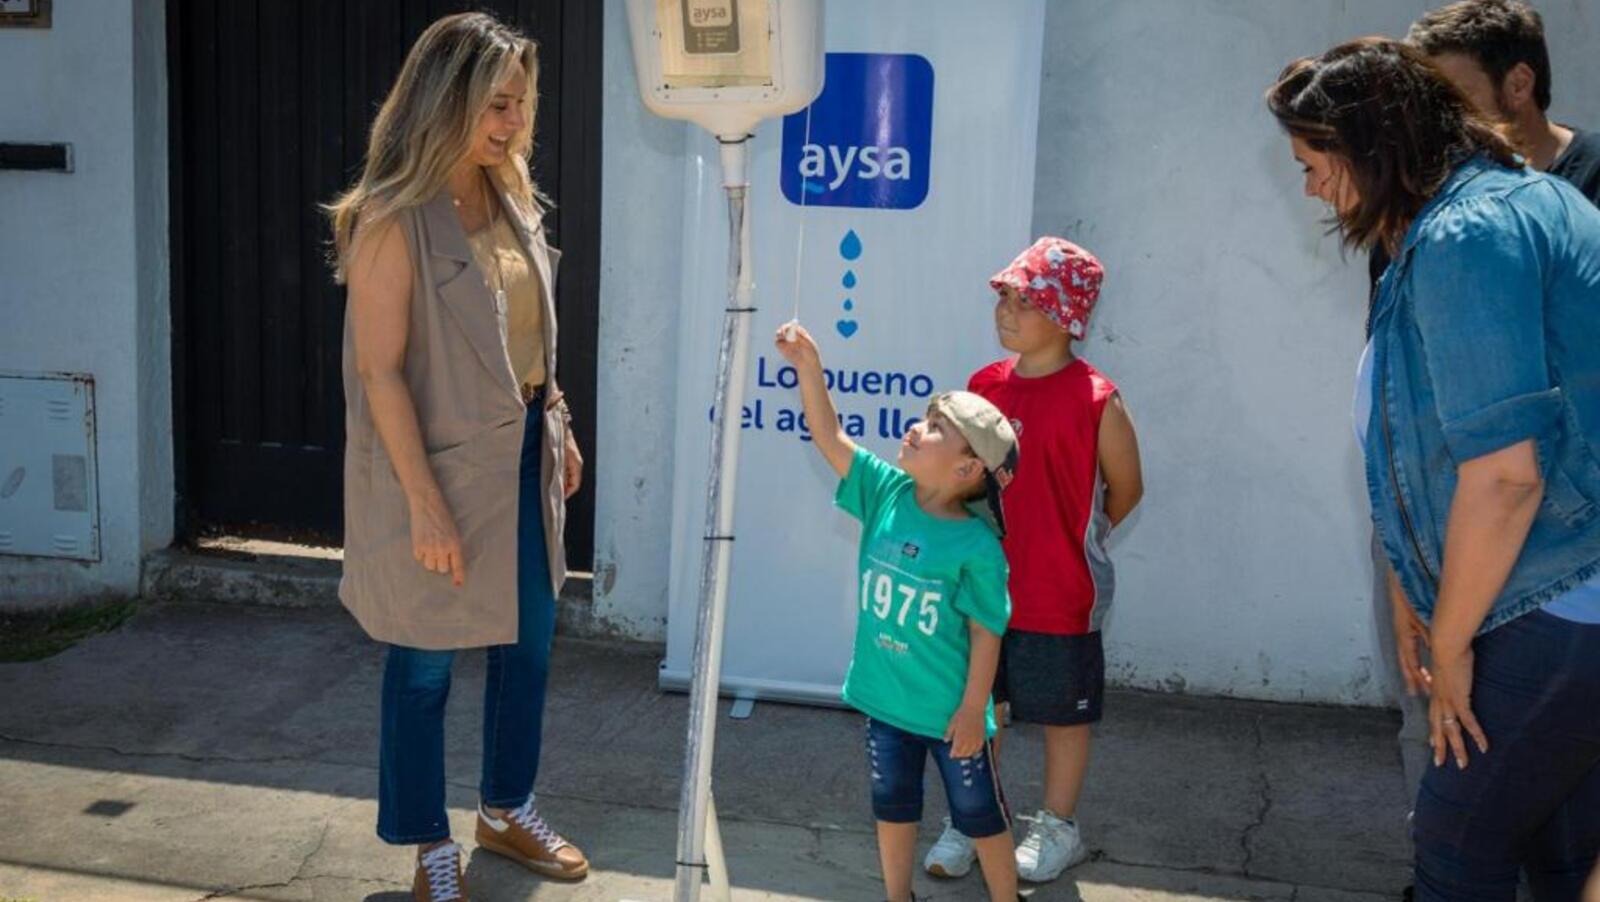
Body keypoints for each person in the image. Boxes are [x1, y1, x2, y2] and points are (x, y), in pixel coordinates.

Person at [1270, 37, 1600, 899]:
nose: (1307, 185)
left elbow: (1505, 477)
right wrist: (1416, 594)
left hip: (1554, 596)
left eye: (1313, 161)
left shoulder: (1469, 232)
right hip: (1545, 589)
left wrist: (1451, 643)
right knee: (1556, 846)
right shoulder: (1494, 209)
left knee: (1458, 846)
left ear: (1373, 148)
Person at [325, 12, 587, 901]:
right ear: (449, 99)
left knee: (532, 642)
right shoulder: (391, 218)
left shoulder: (510, 194)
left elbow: (527, 334)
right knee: (425, 658)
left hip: (522, 452)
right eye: (500, 104)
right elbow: (380, 372)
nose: (516, 123)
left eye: (523, 104)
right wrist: (426, 504)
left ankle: (506, 808)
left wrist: (560, 418)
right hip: (429, 470)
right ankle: (427, 839)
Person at [773, 323, 1020, 902]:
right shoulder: (884, 491)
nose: (916, 428)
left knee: (979, 815)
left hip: (949, 717)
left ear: (967, 470)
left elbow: (989, 633)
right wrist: (810, 365)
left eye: (936, 429)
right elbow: (829, 436)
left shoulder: (978, 548)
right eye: (925, 418)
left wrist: (970, 709)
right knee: (892, 807)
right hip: (886, 702)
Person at [922, 237, 1143, 883]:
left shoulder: (1098, 399)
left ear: (1068, 317)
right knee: (977, 709)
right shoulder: (985, 388)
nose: (1008, 312)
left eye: (1026, 302)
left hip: (1060, 593)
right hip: (983, 590)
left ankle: (1058, 825)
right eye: (1006, 298)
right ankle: (973, 816)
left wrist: (1076, 539)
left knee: (1060, 716)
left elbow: (1126, 490)